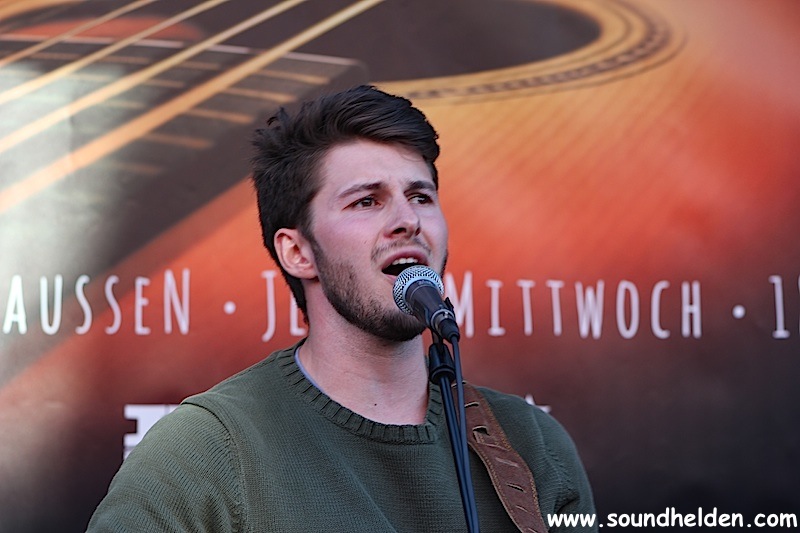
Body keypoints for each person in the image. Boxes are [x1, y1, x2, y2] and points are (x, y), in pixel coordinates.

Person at [87, 85, 596, 532]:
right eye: (366, 201)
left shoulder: (532, 443)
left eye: (421, 197)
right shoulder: (207, 449)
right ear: (298, 252)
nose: (408, 220)